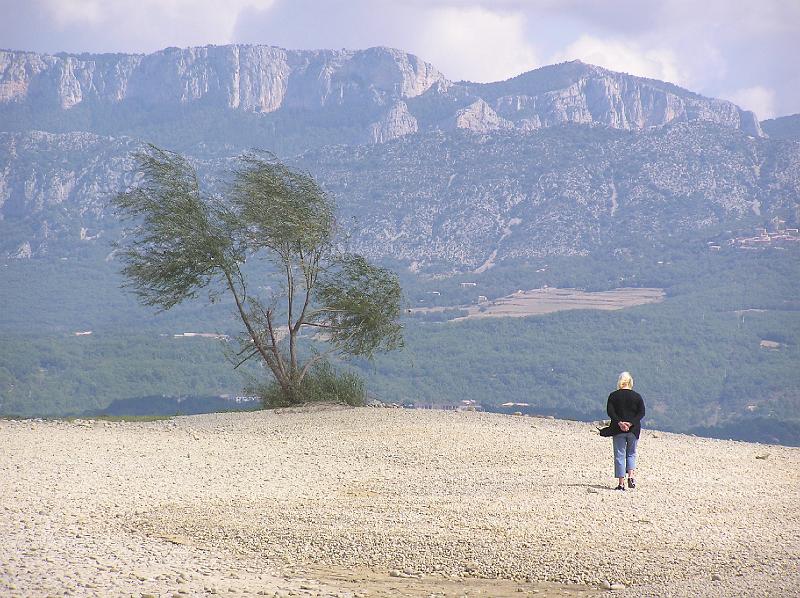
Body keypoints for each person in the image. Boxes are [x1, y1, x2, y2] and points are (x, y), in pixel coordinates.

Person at [606, 371, 646, 490]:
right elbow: (641, 413)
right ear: (630, 382)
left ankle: (621, 483)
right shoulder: (637, 396)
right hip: (633, 430)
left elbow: (610, 412)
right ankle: (631, 476)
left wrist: (620, 422)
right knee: (631, 453)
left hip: (618, 430)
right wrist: (630, 423)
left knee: (620, 455)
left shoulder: (613, 396)